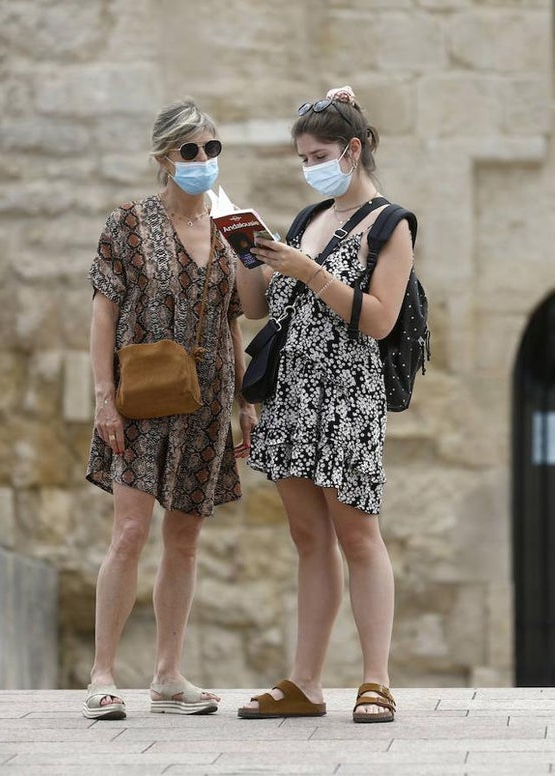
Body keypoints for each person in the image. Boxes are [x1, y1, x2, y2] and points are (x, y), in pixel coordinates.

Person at [235, 85, 412, 723]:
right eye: (304, 157)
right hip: (291, 394)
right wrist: (247, 257)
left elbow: (380, 321)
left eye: (318, 154)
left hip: (345, 398)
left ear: (353, 149)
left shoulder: (390, 224)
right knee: (308, 537)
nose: (310, 166)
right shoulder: (307, 220)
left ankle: (375, 679)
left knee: (358, 534)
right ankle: (305, 681)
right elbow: (259, 309)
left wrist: (308, 271)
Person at [84, 97, 258, 720]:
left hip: (206, 404)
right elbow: (103, 314)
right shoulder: (127, 226)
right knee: (129, 533)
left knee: (183, 541)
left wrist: (243, 400)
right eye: (191, 151)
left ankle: (167, 675)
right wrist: (104, 398)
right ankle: (103, 673)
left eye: (213, 149)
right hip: (140, 401)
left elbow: (239, 318)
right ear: (164, 157)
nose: (204, 161)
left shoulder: (228, 228)